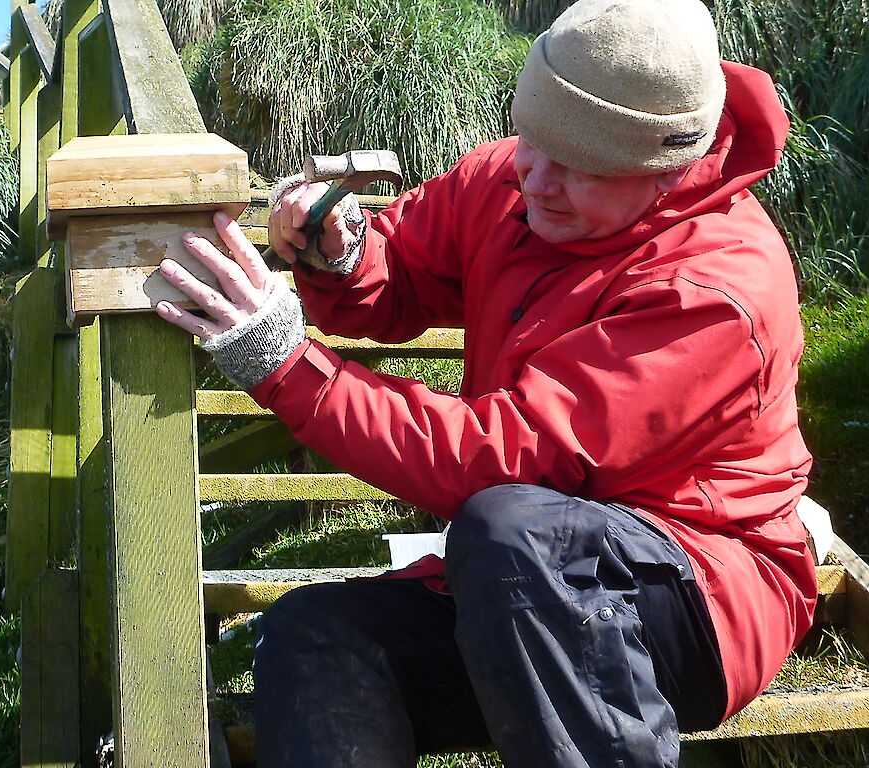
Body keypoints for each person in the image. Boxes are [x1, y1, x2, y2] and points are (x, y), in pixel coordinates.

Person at [150, 0, 817, 764]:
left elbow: (504, 457)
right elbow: (404, 262)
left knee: (510, 528)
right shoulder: (519, 179)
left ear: (664, 169)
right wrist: (344, 251)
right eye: (533, 138)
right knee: (314, 633)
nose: (535, 177)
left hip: (698, 592)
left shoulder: (715, 292)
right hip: (526, 578)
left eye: (582, 166)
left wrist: (287, 366)